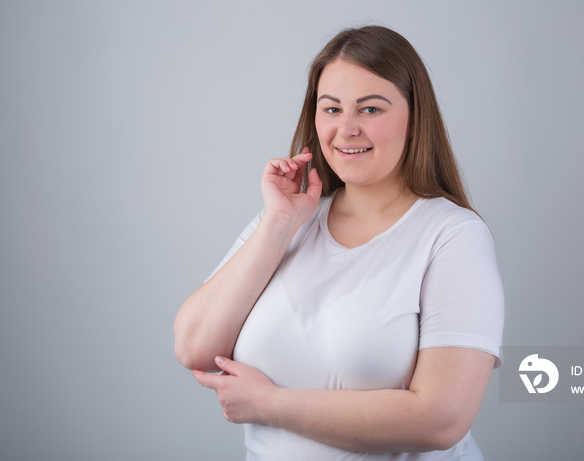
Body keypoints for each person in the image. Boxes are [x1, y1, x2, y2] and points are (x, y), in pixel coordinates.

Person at [174, 25, 504, 460]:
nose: (346, 129)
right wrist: (278, 223)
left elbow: (442, 417)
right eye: (331, 109)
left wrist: (270, 404)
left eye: (370, 110)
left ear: (415, 117)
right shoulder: (288, 221)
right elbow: (194, 346)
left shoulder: (453, 237)